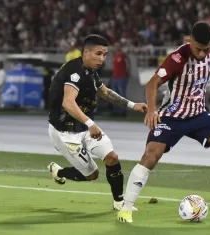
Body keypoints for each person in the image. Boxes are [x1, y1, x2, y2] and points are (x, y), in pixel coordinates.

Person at [117, 21, 210, 223]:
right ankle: (126, 207)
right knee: (150, 156)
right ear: (189, 40)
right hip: (172, 117)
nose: (202, 54)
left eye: (206, 49)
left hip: (198, 115)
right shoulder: (177, 58)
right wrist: (151, 110)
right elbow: (152, 84)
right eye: (197, 49)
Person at [47, 34, 147, 210]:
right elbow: (68, 102)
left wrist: (133, 105)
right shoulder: (74, 71)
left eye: (105, 54)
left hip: (84, 126)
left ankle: (119, 203)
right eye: (98, 54)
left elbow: (105, 92)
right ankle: (59, 171)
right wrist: (90, 123)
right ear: (86, 53)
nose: (102, 59)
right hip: (65, 132)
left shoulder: (90, 71)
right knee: (91, 175)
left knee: (112, 157)